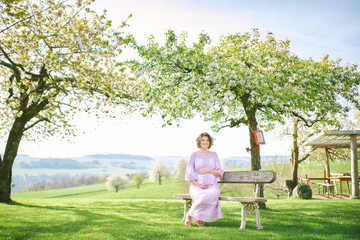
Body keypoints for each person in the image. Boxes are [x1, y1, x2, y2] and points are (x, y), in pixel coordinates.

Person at [184, 132, 224, 226]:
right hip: (197, 186)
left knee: (212, 195)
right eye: (203, 140)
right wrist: (199, 186)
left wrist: (209, 170)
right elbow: (190, 174)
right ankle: (197, 216)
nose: (205, 142)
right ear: (199, 141)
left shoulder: (214, 155)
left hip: (212, 186)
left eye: (207, 140)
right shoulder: (193, 155)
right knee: (202, 197)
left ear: (210, 142)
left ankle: (190, 215)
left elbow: (219, 172)